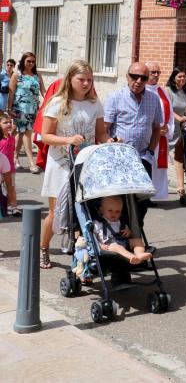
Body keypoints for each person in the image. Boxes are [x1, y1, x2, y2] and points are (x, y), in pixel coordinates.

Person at [39, 60, 108, 269]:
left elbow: (101, 134)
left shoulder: (94, 103)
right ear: (70, 79)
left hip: (85, 164)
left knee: (84, 212)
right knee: (56, 212)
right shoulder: (57, 102)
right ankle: (43, 248)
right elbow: (45, 136)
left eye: (89, 79)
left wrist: (111, 141)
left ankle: (80, 257)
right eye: (81, 79)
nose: (86, 83)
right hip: (60, 163)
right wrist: (68, 140)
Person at [104, 62, 163, 224]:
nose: (138, 81)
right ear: (127, 76)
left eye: (143, 78)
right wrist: (110, 144)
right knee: (119, 202)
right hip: (119, 158)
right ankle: (120, 237)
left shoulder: (154, 99)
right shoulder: (115, 98)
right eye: (134, 77)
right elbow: (104, 129)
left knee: (142, 202)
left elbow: (157, 128)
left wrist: (150, 151)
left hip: (143, 157)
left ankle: (135, 236)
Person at [8, 52, 45, 173]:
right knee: (27, 133)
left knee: (22, 133)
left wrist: (52, 102)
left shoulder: (37, 75)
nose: (31, 64)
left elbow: (43, 92)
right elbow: (11, 93)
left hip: (33, 109)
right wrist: (9, 109)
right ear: (23, 61)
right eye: (28, 61)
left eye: (33, 61)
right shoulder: (17, 75)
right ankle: (31, 163)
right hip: (20, 109)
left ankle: (15, 157)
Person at [93, 195, 152, 265]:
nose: (114, 214)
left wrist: (128, 232)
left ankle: (139, 254)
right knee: (118, 247)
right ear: (101, 210)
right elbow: (93, 236)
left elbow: (129, 234)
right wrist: (99, 245)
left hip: (123, 241)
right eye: (110, 210)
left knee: (138, 240)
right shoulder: (98, 223)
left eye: (117, 211)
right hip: (109, 245)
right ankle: (132, 257)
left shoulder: (120, 221)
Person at [166, 66, 186, 201]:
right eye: (179, 76)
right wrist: (179, 118)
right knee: (158, 157)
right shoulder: (167, 91)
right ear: (174, 78)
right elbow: (167, 109)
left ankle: (180, 186)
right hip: (169, 126)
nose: (182, 79)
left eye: (184, 76)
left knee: (179, 156)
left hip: (182, 127)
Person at [145, 62, 173, 202]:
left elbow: (171, 113)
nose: (156, 75)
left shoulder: (163, 91)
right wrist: (153, 130)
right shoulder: (142, 90)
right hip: (148, 137)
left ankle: (156, 195)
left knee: (158, 166)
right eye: (153, 72)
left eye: (158, 72)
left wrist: (167, 127)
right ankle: (145, 195)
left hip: (162, 137)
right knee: (147, 165)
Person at [0, 113, 17, 218]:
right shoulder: (0, 139)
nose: (8, 124)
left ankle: (14, 207)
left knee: (11, 188)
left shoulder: (12, 138)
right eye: (5, 122)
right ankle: (4, 205)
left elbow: (12, 151)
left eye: (10, 122)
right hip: (0, 168)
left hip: (10, 168)